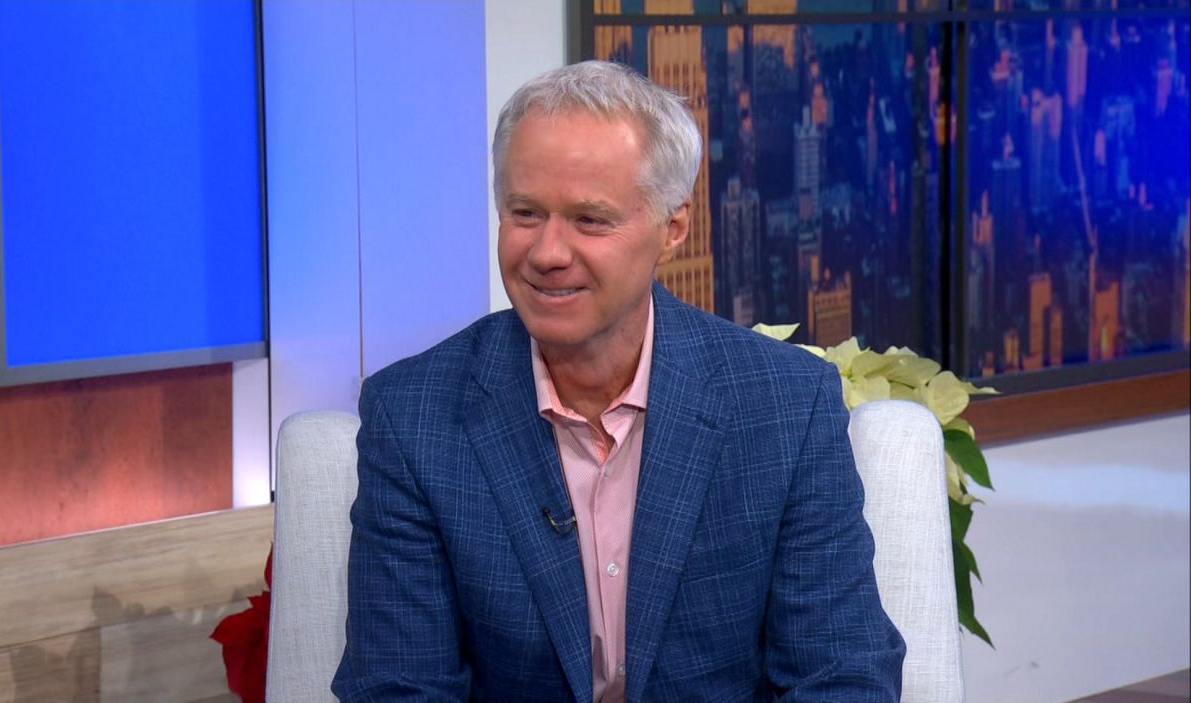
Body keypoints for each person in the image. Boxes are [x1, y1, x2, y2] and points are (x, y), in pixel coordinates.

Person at [332, 60, 904, 702]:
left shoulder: (786, 405)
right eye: (525, 213)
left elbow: (840, 675)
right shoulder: (413, 418)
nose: (547, 253)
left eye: (590, 220)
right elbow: (399, 687)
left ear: (673, 229)